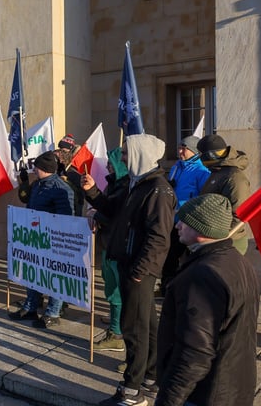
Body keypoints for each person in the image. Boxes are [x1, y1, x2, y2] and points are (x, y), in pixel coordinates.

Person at [83, 134, 176, 406]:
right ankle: (150, 378)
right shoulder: (137, 184)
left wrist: (140, 270)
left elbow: (160, 237)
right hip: (130, 264)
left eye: (125, 153)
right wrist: (92, 192)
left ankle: (132, 390)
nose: (122, 158)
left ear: (139, 155)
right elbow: (113, 210)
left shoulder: (157, 189)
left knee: (133, 328)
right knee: (146, 324)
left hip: (139, 270)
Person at [155, 194, 259, 406]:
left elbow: (195, 351)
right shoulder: (238, 261)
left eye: (185, 221)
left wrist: (168, 400)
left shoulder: (202, 276)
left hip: (205, 393)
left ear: (202, 230)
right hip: (233, 386)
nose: (178, 226)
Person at [8, 151, 74, 327]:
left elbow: (65, 218)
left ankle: (53, 312)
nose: (34, 169)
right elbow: (28, 202)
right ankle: (31, 307)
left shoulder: (61, 189)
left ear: (44, 168)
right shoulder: (37, 185)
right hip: (34, 239)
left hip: (52, 241)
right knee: (33, 273)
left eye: (36, 167)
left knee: (53, 277)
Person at [160, 136, 210, 294]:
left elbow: (204, 197)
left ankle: (186, 290)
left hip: (189, 222)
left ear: (194, 151)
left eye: (184, 148)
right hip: (172, 220)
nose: (180, 151)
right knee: (169, 256)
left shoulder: (202, 171)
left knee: (189, 258)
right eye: (179, 147)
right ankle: (166, 287)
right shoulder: (176, 166)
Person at [91, 148, 130, 352]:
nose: (107, 166)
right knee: (111, 288)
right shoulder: (113, 184)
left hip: (118, 246)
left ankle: (117, 332)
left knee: (117, 291)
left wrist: (97, 215)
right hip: (109, 244)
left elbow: (113, 214)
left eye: (112, 162)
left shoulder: (125, 187)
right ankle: (116, 321)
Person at [196, 134, 251, 254]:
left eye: (200, 154)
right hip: (213, 238)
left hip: (229, 241)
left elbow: (239, 213)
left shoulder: (234, 177)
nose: (199, 158)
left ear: (210, 155)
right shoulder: (218, 171)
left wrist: (219, 237)